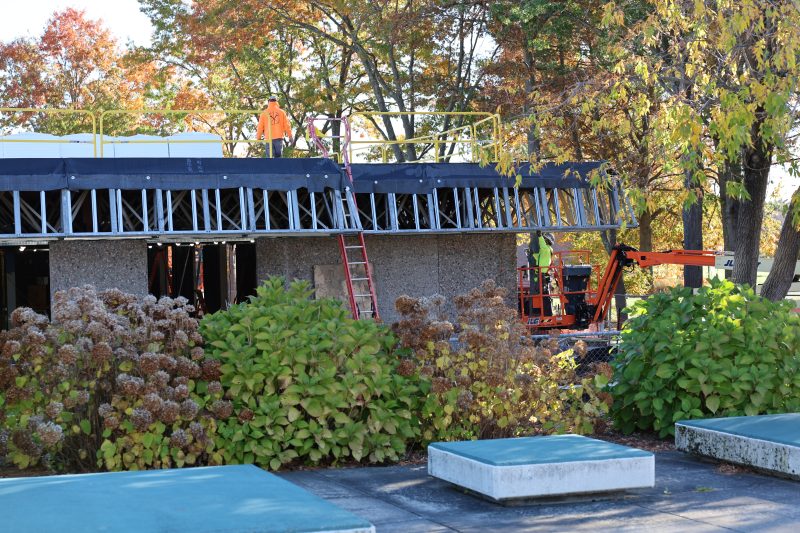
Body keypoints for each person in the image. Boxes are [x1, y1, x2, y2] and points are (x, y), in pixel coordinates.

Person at [526, 231, 555, 316]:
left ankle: (540, 313)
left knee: (538, 294)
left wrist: (540, 236)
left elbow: (542, 245)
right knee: (542, 294)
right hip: (541, 274)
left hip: (540, 275)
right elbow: (538, 255)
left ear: (547, 240)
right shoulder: (548, 250)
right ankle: (543, 312)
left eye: (545, 239)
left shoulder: (545, 248)